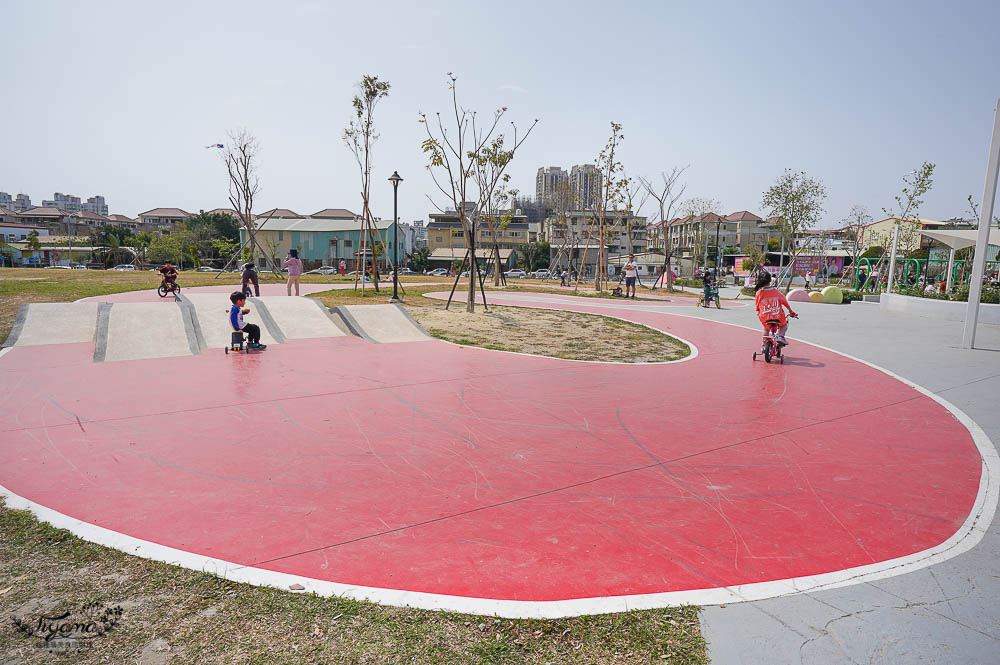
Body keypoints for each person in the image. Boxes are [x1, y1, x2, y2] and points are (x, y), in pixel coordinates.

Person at [754, 271, 797, 349]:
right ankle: (781, 337)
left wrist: (758, 311)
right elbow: (785, 302)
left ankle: (764, 345)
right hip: (778, 316)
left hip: (765, 317)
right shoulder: (776, 292)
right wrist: (791, 311)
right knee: (784, 326)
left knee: (766, 329)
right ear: (770, 280)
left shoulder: (759, 293)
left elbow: (757, 306)